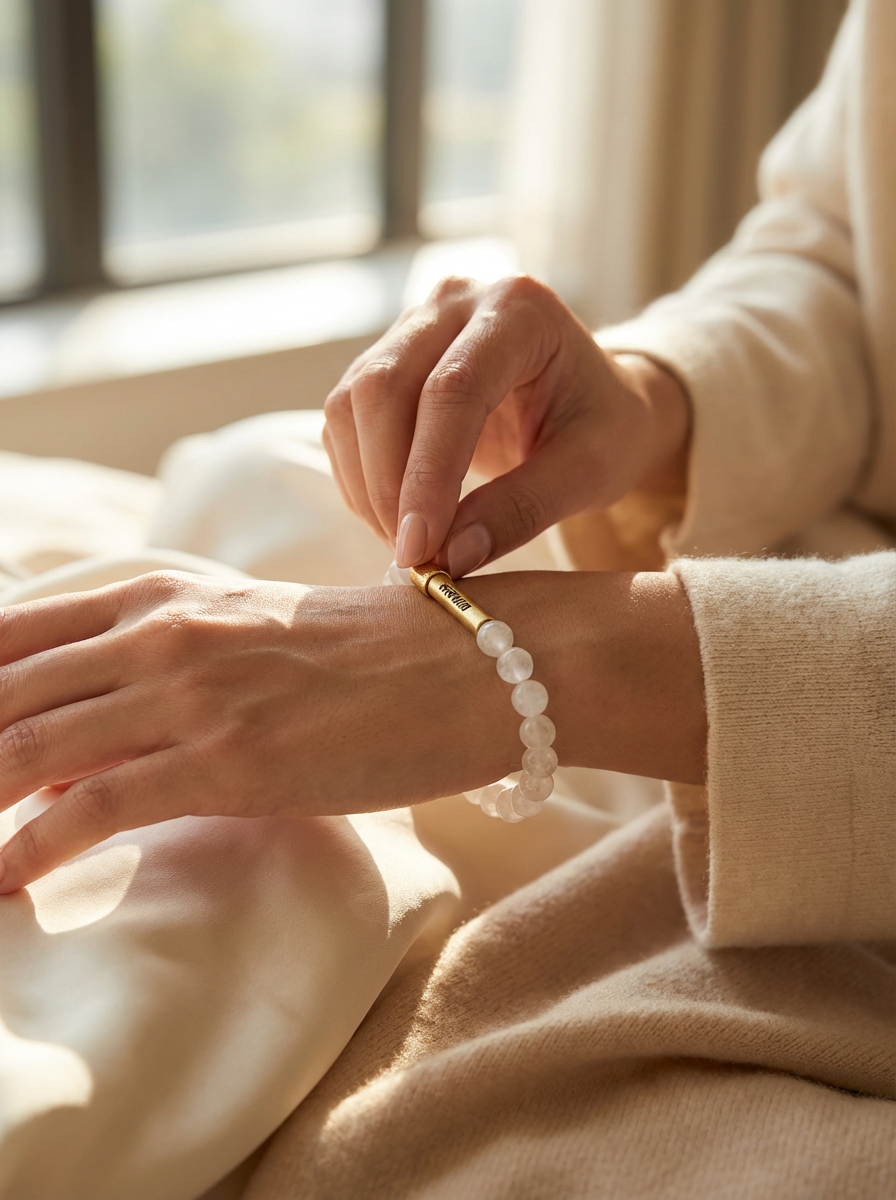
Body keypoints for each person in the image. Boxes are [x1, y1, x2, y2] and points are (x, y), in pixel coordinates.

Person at [0, 0, 891, 966]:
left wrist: (532, 672)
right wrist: (660, 394)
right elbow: (843, 249)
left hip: (812, 710)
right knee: (259, 479)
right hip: (793, 567)